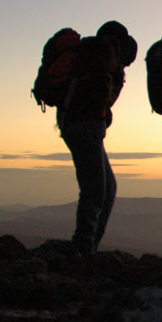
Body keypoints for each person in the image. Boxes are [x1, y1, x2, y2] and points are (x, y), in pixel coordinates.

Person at [57, 20, 137, 253]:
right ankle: (84, 245)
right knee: (97, 189)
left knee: (106, 187)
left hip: (74, 123)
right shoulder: (105, 52)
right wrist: (103, 111)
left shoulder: (90, 52)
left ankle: (89, 243)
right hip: (86, 125)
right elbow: (102, 93)